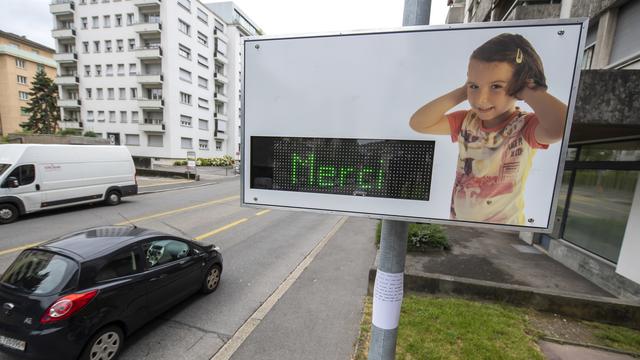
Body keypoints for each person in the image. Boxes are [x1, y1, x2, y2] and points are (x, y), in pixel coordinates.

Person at [409, 33, 567, 225]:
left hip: (504, 235)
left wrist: (528, 88)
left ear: (519, 86)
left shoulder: (525, 127)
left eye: (496, 86)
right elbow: (419, 123)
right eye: (474, 86)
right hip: (461, 228)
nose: (480, 99)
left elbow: (561, 126)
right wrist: (464, 91)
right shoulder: (467, 121)